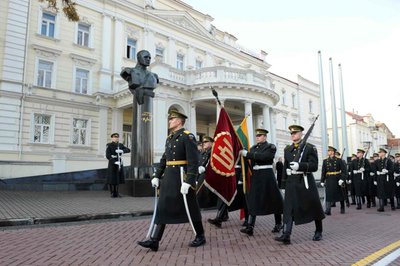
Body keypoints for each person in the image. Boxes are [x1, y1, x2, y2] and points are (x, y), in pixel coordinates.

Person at [137, 110, 205, 251]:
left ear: (179, 121)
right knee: (162, 207)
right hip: (169, 177)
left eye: (172, 119)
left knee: (191, 207)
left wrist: (189, 181)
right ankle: (154, 240)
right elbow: (164, 159)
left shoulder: (188, 137)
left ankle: (200, 235)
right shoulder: (170, 138)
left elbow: (193, 161)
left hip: (182, 178)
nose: (169, 121)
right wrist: (156, 175)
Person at [275, 125, 325, 245]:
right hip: (292, 182)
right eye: (291, 133)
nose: (293, 135)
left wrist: (300, 166)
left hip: (305, 181)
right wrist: (283, 185)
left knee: (313, 206)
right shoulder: (288, 149)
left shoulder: (309, 148)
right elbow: (285, 167)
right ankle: (286, 234)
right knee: (288, 208)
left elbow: (314, 166)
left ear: (302, 134)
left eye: (295, 133)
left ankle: (319, 230)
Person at [238, 128, 283, 236]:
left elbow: (265, 157)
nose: (257, 137)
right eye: (257, 136)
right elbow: (249, 163)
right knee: (253, 200)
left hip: (267, 176)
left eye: (260, 136)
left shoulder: (271, 147)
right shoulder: (253, 148)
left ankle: (278, 223)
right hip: (256, 176)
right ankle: (250, 227)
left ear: (265, 137)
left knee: (274, 200)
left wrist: (248, 154)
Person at [320, 146, 347, 215]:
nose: (329, 152)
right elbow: (323, 171)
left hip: (337, 179)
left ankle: (342, 207)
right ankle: (328, 210)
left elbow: (344, 171)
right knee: (328, 194)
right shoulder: (325, 161)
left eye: (331, 151)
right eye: (328, 151)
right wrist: (322, 181)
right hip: (329, 179)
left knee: (340, 194)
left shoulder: (339, 160)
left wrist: (342, 179)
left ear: (333, 152)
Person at [105, 133, 131, 198]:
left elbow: (128, 150)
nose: (116, 138)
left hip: (119, 161)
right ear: (112, 138)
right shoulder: (109, 145)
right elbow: (108, 155)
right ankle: (112, 193)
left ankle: (117, 192)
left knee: (117, 178)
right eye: (115, 137)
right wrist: (114, 162)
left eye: (117, 137)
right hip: (112, 162)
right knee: (112, 178)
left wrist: (121, 151)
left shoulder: (120, 145)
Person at [197, 136, 218, 209]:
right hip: (201, 175)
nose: (204, 144)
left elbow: (215, 164)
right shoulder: (203, 153)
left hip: (211, 175)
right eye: (203, 142)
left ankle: (207, 205)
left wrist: (205, 169)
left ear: (212, 143)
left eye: (206, 142)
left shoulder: (214, 152)